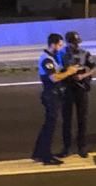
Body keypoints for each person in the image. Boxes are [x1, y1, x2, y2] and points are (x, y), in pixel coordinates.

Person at [32, 33, 79, 166]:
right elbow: (54, 78)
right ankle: (46, 156)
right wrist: (69, 72)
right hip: (51, 95)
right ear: (53, 44)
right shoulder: (47, 59)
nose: (61, 46)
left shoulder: (52, 57)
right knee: (50, 127)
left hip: (53, 94)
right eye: (59, 44)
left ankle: (38, 153)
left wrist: (68, 69)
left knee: (48, 125)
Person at [59, 30, 96, 158]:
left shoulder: (84, 53)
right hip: (67, 88)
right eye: (73, 43)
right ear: (68, 43)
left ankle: (82, 147)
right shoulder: (61, 54)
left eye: (77, 43)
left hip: (81, 89)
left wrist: (83, 76)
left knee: (82, 119)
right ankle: (66, 148)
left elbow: (94, 68)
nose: (76, 46)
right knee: (66, 120)